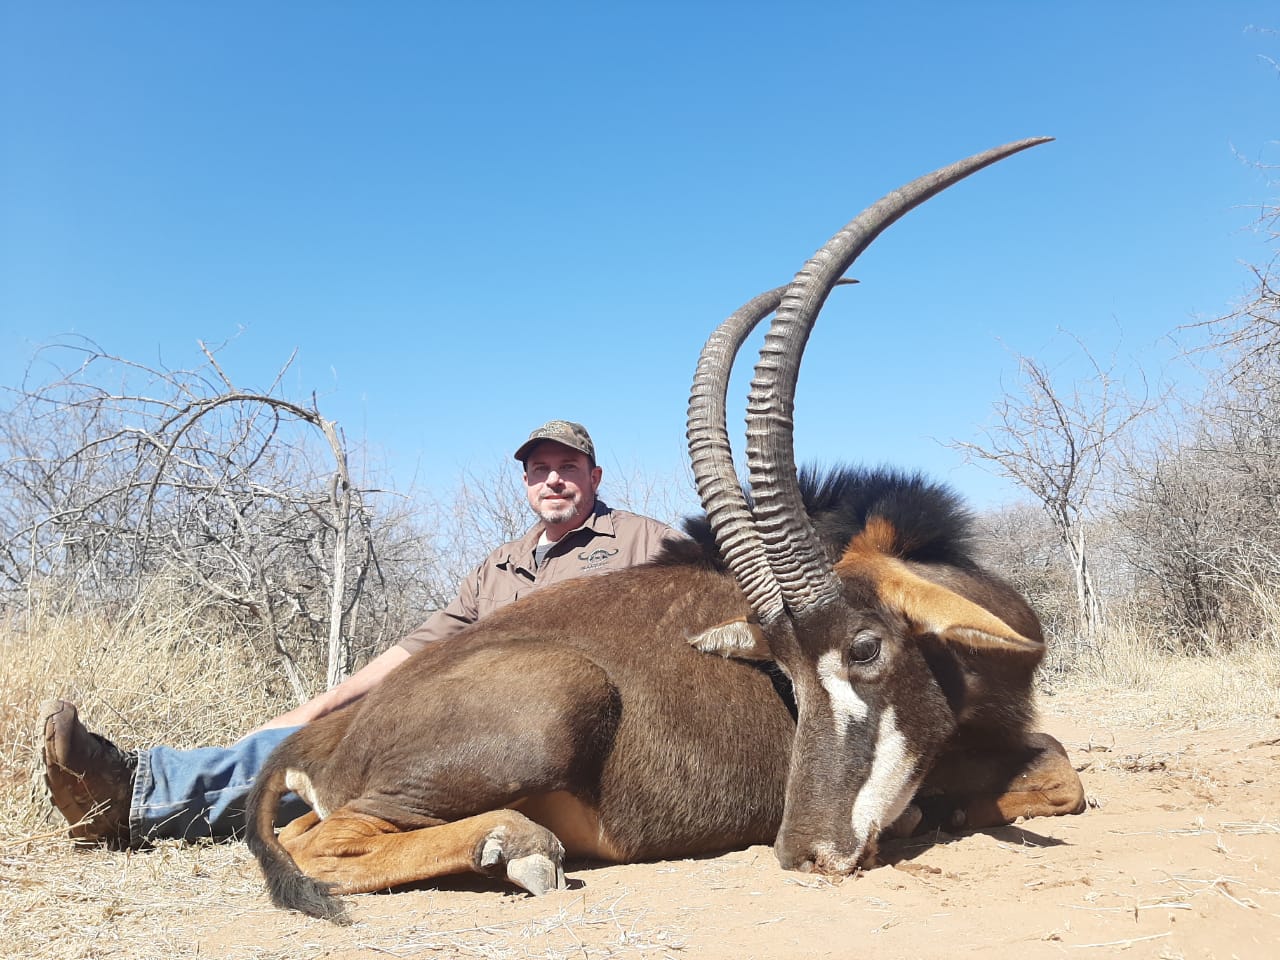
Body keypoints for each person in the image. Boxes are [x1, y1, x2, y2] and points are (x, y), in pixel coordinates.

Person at [39, 420, 681, 848]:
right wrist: (313, 707)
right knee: (336, 735)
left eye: (568, 466)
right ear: (525, 484)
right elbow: (418, 648)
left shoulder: (645, 540)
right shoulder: (500, 564)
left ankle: (136, 796)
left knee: (363, 760)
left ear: (595, 477)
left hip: (572, 725)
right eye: (540, 470)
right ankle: (137, 791)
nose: (554, 480)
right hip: (473, 707)